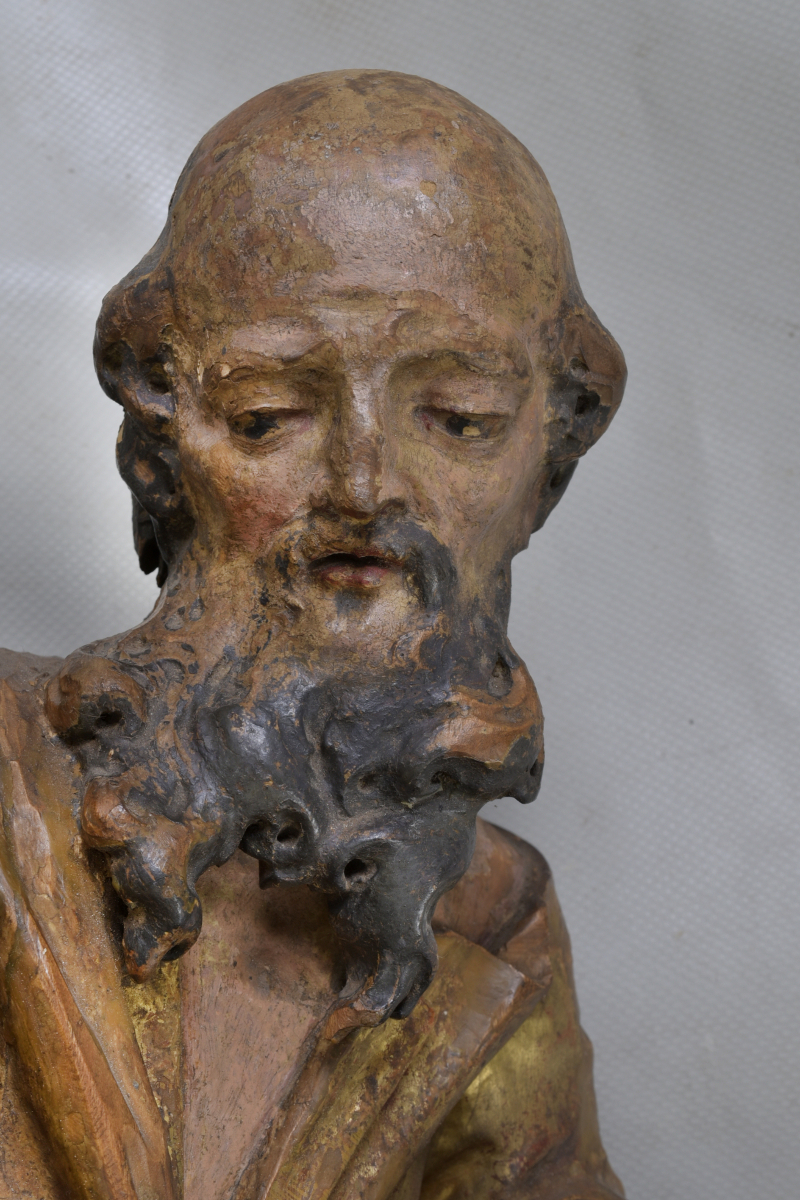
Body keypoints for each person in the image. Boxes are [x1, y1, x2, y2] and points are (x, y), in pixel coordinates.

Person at [0, 70, 626, 1199]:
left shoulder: (491, 923)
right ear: (161, 442)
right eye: (268, 416)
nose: (363, 486)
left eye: (459, 420)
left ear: (550, 459)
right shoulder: (9, 793)